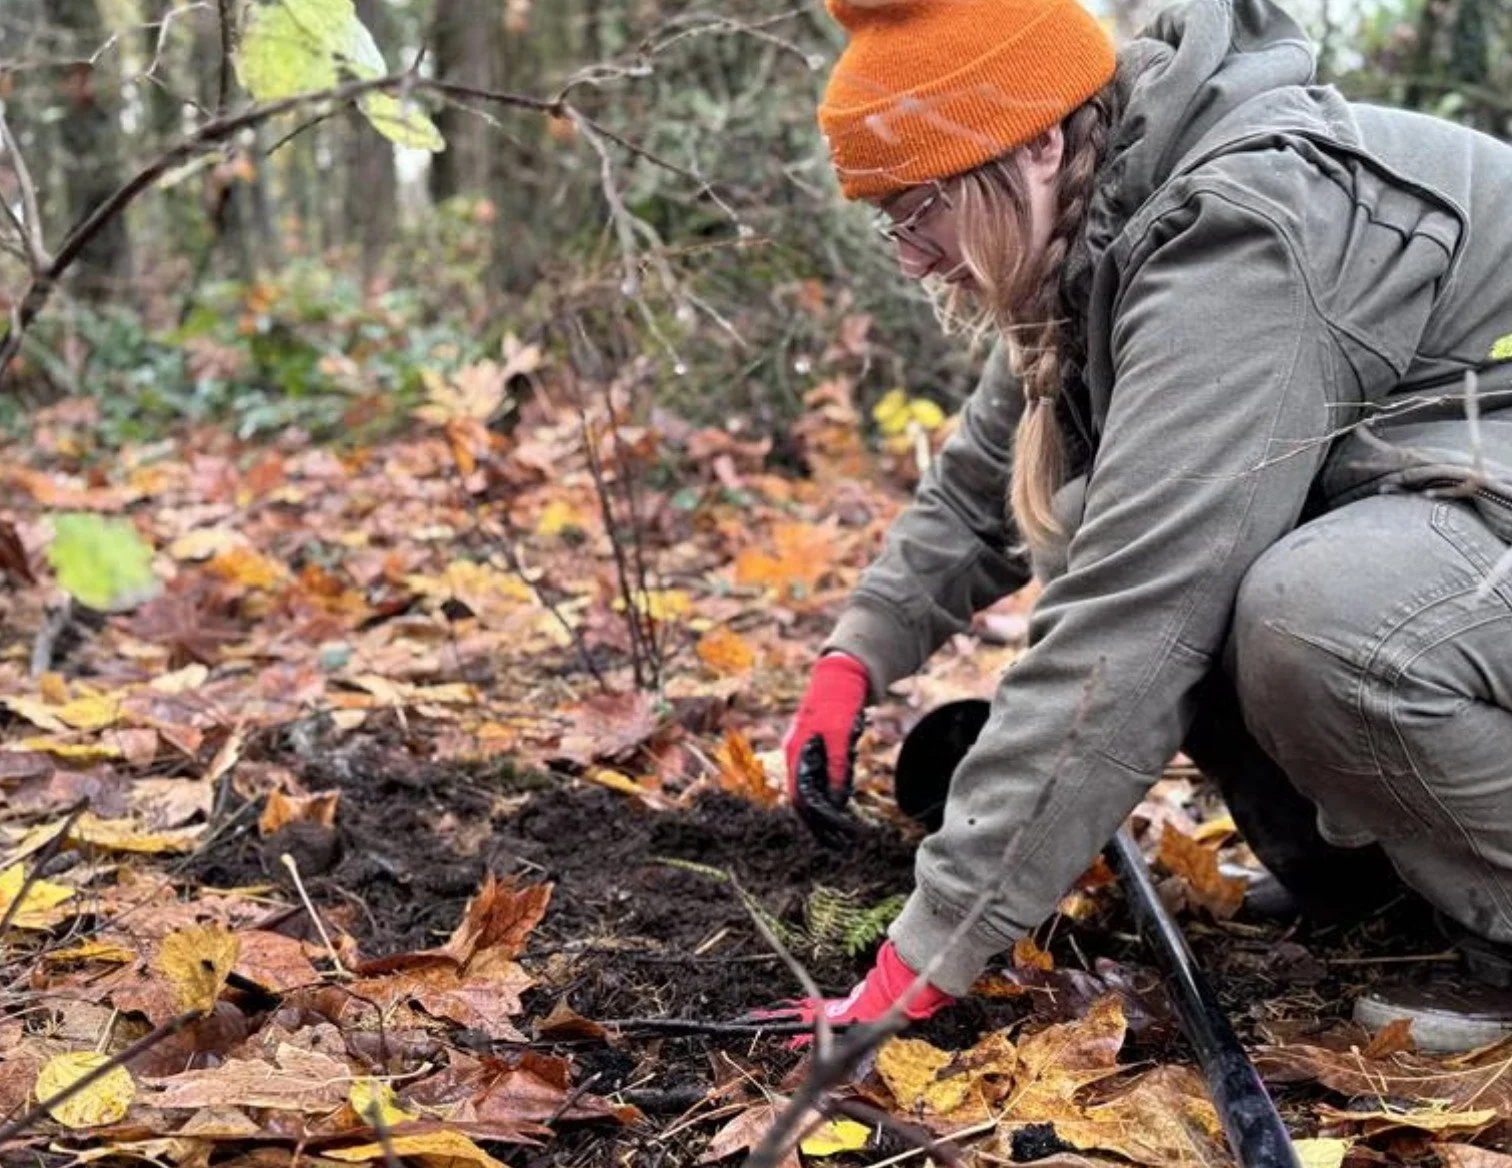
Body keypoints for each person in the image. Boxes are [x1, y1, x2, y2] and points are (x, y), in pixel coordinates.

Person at [776, 0, 1512, 1050]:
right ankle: (1383, 894)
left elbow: (1141, 610)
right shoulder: (1103, 219)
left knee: (1324, 615)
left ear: (1032, 146)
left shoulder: (1241, 234)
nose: (912, 256)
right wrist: (853, 658)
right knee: (1095, 516)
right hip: (1467, 496)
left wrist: (928, 950)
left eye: (919, 208)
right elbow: (984, 481)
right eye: (888, 217)